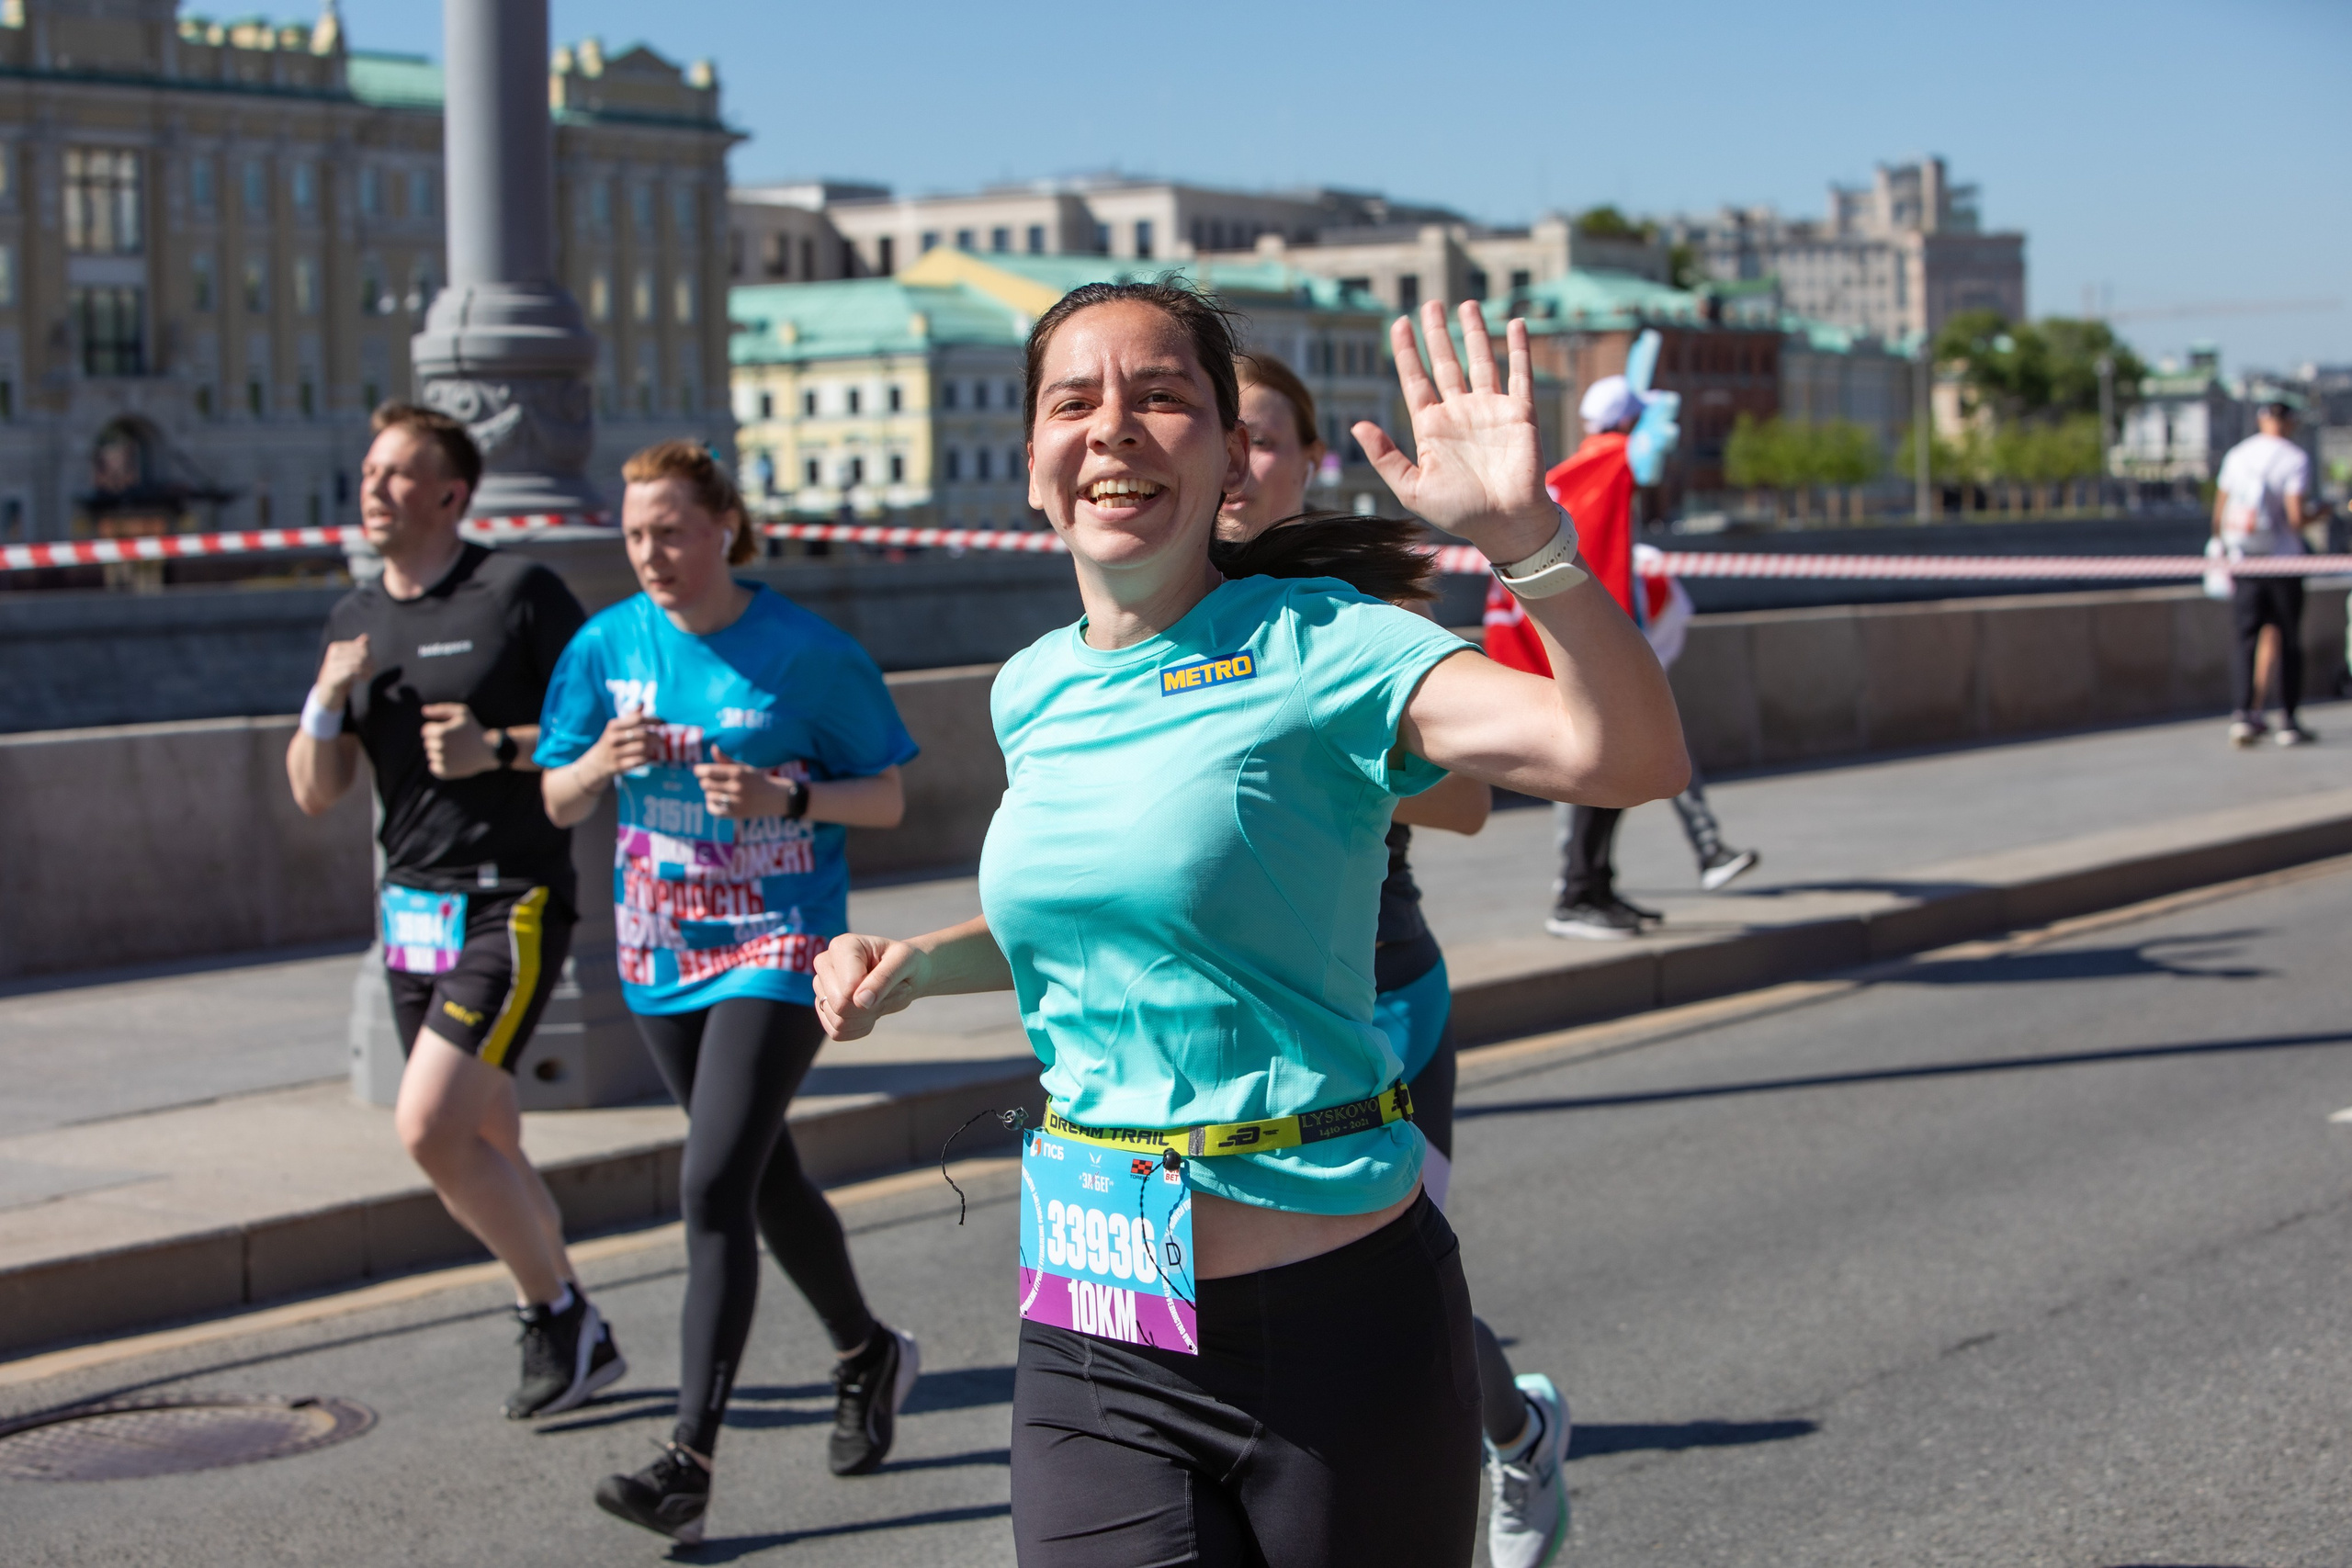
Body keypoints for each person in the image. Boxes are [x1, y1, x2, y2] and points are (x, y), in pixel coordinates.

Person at [815, 282, 1688, 1567]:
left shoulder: (1327, 644)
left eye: (1161, 397)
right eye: (1076, 401)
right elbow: (1104, 920)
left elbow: (1628, 754)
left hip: (1336, 1320)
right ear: (1034, 464)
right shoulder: (1032, 687)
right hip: (1099, 1311)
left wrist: (1530, 542)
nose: (1114, 428)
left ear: (1230, 455)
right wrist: (916, 965)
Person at [1220, 349, 1570, 1568]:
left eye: (1265, 438)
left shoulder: (1364, 599)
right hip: (1222, 1015)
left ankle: (1517, 1432)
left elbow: (1468, 798)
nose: (1236, 461)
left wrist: (1300, 757)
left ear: (1304, 462)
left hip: (1375, 998)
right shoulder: (1143, 598)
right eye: (1221, 432)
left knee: (1395, 1290)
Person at [537, 442, 922, 1545]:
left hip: (779, 942)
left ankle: (686, 1463)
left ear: (723, 529)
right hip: (660, 947)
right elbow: (557, 801)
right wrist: (598, 764)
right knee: (760, 1177)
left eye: (670, 532)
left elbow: (888, 797)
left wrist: (782, 797)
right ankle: (867, 1351)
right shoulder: (606, 647)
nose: (651, 555)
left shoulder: (805, 654)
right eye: (634, 536)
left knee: (711, 1182)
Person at [287, 403, 620, 1420]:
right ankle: (579, 1329)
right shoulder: (354, 618)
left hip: (507, 905)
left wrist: (499, 749)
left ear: (450, 494)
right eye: (369, 471)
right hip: (410, 914)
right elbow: (314, 790)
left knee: (430, 1129)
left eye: (398, 475)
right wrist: (324, 700)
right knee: (491, 1137)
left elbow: (597, 727)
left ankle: (556, 1312)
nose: (374, 490)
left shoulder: (516, 590)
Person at [1487, 375, 1758, 941]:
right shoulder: (1614, 459)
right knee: (1603, 765)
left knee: (1617, 763)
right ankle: (1578, 894)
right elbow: (1652, 458)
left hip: (1560, 635)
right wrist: (1666, 406)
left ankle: (1597, 888)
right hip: (1599, 635)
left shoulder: (1564, 476)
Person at [2214, 399, 2321, 748]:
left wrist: (2221, 549)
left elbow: (2219, 513)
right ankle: (2288, 720)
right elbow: (2295, 518)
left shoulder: (2238, 455)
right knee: (2289, 641)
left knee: (2245, 640)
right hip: (2284, 563)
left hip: (2245, 560)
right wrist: (2322, 513)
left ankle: (2244, 714)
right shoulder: (2294, 458)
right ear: (2288, 423)